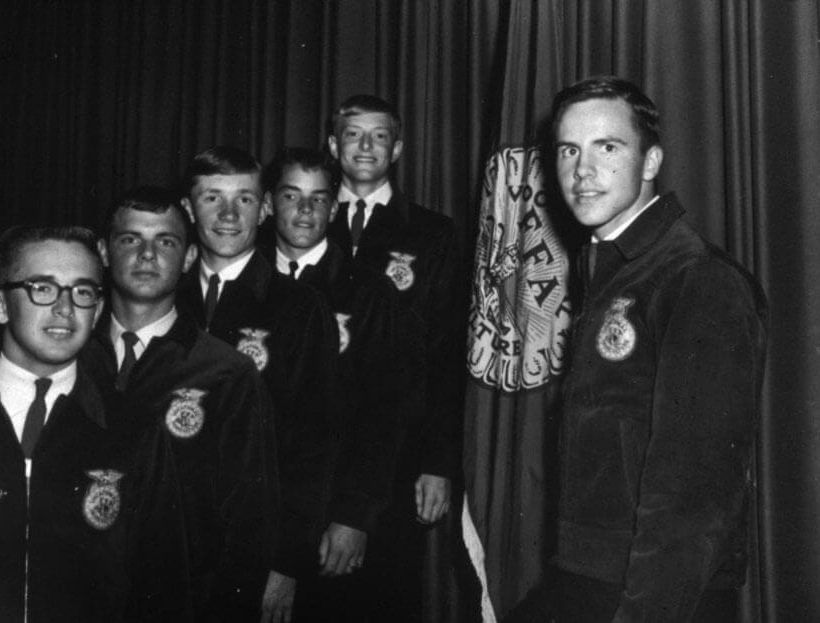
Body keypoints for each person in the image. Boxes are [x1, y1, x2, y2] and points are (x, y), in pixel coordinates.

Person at [508, 76, 768, 622]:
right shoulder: (614, 268)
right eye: (569, 150)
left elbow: (693, 494)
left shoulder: (695, 277)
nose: (583, 170)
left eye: (607, 147)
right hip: (588, 577)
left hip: (653, 594)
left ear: (651, 162)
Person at [0, 226, 191, 622]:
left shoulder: (133, 431)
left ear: (97, 311)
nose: (65, 308)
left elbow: (162, 589)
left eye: (82, 292)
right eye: (42, 288)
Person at [80, 187, 279, 620]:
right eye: (130, 239)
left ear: (189, 257)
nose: (147, 255)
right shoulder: (68, 360)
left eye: (166, 242)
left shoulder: (226, 372)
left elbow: (248, 521)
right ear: (104, 252)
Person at [180, 146, 340, 623]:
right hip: (168, 539)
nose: (229, 215)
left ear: (265, 207)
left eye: (244, 199)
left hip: (252, 546)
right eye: (212, 198)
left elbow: (314, 442)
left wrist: (288, 562)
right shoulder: (163, 295)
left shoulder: (299, 307)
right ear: (188, 208)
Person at [262, 147, 423, 621]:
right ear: (269, 203)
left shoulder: (367, 292)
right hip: (259, 502)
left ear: (334, 208)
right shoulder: (247, 284)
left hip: (333, 506)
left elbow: (385, 413)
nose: (305, 210)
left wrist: (354, 515)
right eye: (291, 196)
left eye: (318, 199)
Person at [325, 95, 464, 621]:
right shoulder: (301, 221)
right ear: (333, 145)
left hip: (398, 455)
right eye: (353, 134)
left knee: (384, 600)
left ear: (398, 148)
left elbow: (446, 354)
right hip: (315, 451)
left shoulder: (432, 232)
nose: (365, 146)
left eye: (379, 136)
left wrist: (438, 462)